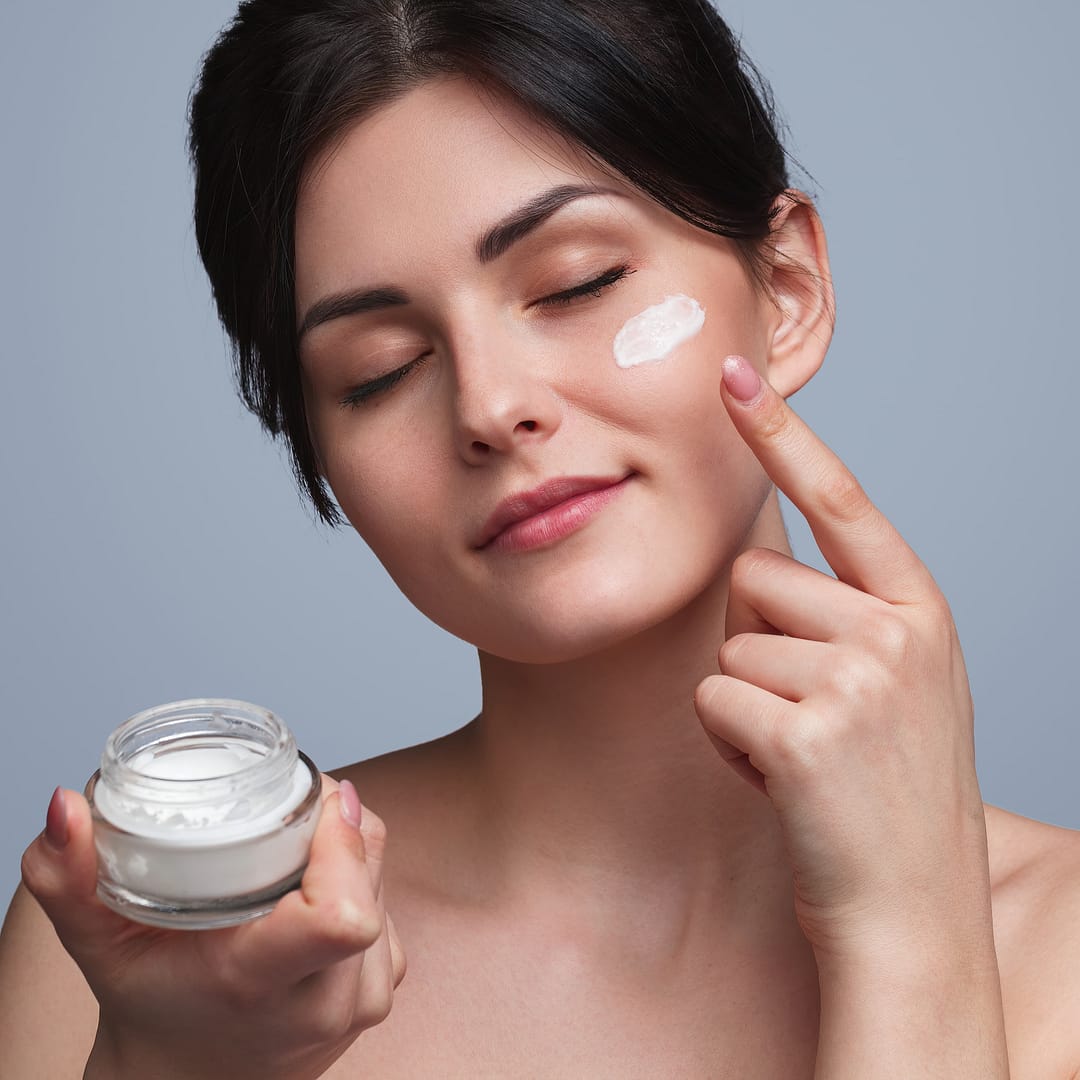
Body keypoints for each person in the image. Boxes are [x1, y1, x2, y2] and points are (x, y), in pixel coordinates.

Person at [2, 0, 1079, 1075]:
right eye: (379, 368)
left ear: (787, 288)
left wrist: (912, 932)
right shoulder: (167, 964)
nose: (489, 404)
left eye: (579, 283)